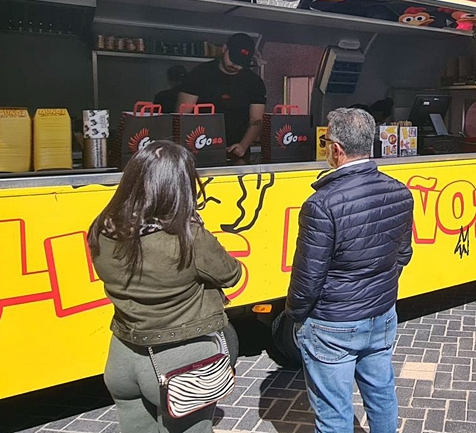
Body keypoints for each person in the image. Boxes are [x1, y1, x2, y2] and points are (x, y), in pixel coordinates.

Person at [89, 141, 242, 433]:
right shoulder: (189, 236)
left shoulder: (103, 227)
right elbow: (231, 274)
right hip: (179, 361)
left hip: (123, 357)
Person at [286, 108, 414, 433]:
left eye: (327, 140)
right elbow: (403, 255)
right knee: (382, 395)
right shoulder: (400, 192)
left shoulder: (321, 204)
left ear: (336, 149)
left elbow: (307, 279)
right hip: (383, 313)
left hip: (334, 322)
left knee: (333, 413)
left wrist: (296, 316)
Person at [177, 33, 266, 162]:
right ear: (224, 49)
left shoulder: (254, 82)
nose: (236, 66)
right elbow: (182, 115)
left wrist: (243, 145)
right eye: (233, 59)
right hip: (198, 150)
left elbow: (256, 119)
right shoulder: (199, 74)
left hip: (237, 151)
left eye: (241, 63)